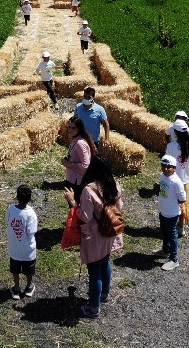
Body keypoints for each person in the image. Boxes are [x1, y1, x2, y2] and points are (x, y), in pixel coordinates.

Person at [63, 156, 123, 319]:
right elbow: (120, 207)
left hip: (95, 236)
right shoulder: (114, 184)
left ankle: (93, 308)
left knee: (94, 272)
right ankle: (104, 295)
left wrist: (73, 202)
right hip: (109, 231)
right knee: (105, 263)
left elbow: (85, 216)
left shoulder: (89, 190)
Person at [164, 119, 189, 238]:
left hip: (172, 180)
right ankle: (180, 228)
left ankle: (170, 227)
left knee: (171, 205)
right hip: (184, 180)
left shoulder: (171, 146)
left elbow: (167, 162)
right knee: (182, 206)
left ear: (176, 133)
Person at [6, 184, 38, 300]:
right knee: (29, 270)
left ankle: (16, 288)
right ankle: (29, 287)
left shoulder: (10, 209)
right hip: (28, 249)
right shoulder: (31, 214)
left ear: (17, 197)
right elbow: (31, 232)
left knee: (15, 269)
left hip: (14, 248)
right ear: (30, 198)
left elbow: (7, 222)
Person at [155, 155, 186, 271]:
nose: (166, 169)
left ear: (174, 168)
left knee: (172, 234)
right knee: (164, 231)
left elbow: (182, 198)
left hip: (172, 213)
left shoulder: (176, 182)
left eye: (169, 167)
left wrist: (174, 204)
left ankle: (174, 259)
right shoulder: (162, 176)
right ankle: (165, 250)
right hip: (163, 210)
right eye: (163, 166)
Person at [62, 115, 96, 203]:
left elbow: (85, 164)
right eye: (69, 127)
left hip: (77, 181)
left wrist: (67, 164)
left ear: (79, 129)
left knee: (75, 205)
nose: (69, 130)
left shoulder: (80, 143)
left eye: (73, 128)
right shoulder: (76, 140)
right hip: (73, 178)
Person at [74, 87, 110, 151]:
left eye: (89, 97)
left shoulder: (99, 109)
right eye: (85, 96)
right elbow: (74, 121)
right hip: (80, 139)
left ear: (93, 97)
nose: (86, 98)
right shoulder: (78, 107)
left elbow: (106, 124)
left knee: (92, 159)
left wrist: (107, 139)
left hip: (93, 141)